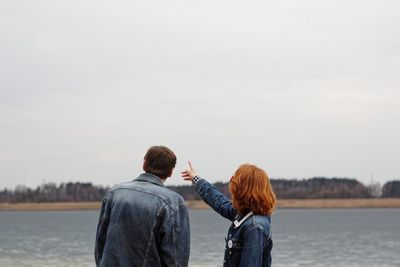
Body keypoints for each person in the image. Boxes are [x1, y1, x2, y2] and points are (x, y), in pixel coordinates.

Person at [95, 146, 190, 267]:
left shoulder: (114, 192)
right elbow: (176, 258)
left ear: (144, 164)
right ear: (171, 172)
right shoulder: (174, 202)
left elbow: (100, 243)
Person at [181, 161, 276, 267]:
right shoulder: (246, 214)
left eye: (234, 181)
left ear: (243, 189)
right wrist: (196, 179)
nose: (231, 184)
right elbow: (219, 202)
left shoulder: (255, 227)